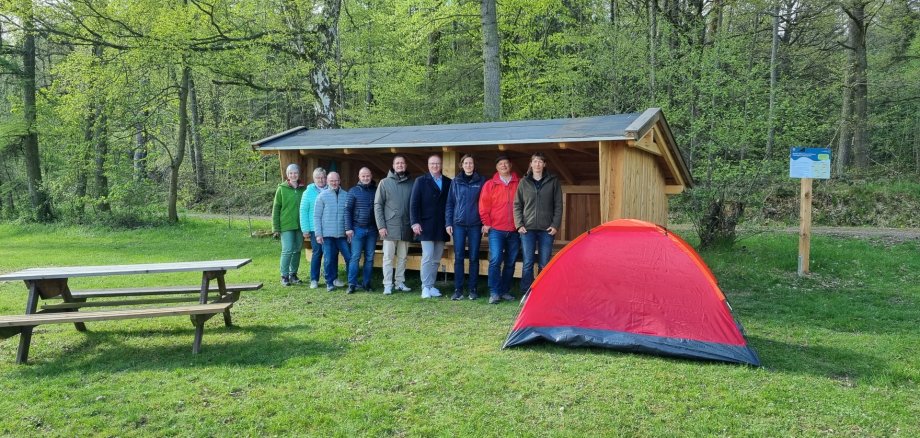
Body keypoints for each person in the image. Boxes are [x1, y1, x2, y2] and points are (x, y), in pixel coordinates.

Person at [514, 152, 563, 294]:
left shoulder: (553, 181)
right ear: (531, 164)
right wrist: (519, 224)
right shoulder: (523, 182)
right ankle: (526, 292)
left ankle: (543, 292)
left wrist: (555, 225)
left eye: (540, 162)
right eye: (535, 161)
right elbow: (517, 205)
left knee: (544, 263)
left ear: (544, 164)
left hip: (546, 229)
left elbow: (558, 205)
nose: (537, 164)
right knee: (528, 262)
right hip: (527, 229)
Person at [478, 155, 521, 304]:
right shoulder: (490, 184)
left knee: (510, 261)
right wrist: (487, 223)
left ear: (510, 165)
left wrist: (521, 224)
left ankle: (505, 291)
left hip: (515, 230)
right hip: (496, 229)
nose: (503, 166)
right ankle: (494, 292)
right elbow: (483, 206)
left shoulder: (519, 183)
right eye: (500, 164)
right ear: (496, 168)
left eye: (506, 163)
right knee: (495, 260)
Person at [410, 154, 452, 299]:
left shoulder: (448, 182)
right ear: (428, 165)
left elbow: (450, 204)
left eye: (437, 163)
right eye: (432, 163)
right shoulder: (420, 181)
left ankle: (431, 285)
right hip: (425, 225)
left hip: (441, 225)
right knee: (427, 257)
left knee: (436, 258)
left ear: (441, 165)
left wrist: (449, 222)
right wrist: (414, 222)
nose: (435, 166)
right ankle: (425, 287)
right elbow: (414, 203)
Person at [445, 154, 484, 300]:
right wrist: (448, 223)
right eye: (466, 163)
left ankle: (473, 290)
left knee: (474, 257)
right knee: (459, 257)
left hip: (475, 225)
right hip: (458, 224)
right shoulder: (455, 181)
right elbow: (450, 203)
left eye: (471, 163)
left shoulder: (481, 181)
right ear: (461, 165)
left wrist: (485, 222)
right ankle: (458, 290)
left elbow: (485, 203)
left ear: (474, 165)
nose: (468, 165)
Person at [374, 155, 414, 295]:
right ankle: (387, 284)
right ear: (393, 165)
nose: (400, 165)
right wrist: (381, 226)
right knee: (388, 257)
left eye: (402, 163)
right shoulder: (384, 183)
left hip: (406, 226)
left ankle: (399, 282)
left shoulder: (411, 183)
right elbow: (378, 205)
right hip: (389, 227)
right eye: (397, 163)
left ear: (406, 165)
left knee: (403, 257)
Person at [314, 172, 351, 292]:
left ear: (339, 181)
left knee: (349, 257)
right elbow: (316, 216)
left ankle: (352, 282)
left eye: (336, 180)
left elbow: (349, 214)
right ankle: (329, 282)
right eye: (331, 181)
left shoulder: (346, 195)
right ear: (328, 182)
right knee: (329, 259)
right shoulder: (322, 196)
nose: (334, 183)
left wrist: (349, 231)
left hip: (342, 235)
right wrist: (318, 234)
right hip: (327, 235)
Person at [272, 163, 307, 286]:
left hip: (300, 225)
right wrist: (275, 227)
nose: (293, 175)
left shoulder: (304, 189)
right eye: (291, 173)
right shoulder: (281, 189)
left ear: (299, 174)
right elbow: (276, 208)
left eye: (295, 173)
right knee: (287, 250)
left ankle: (293, 274)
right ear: (287, 175)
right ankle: (284, 276)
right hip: (286, 225)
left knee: (297, 250)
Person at [301, 167, 335, 289]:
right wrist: (305, 229)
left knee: (330, 254)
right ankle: (314, 279)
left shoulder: (332, 190)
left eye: (323, 177)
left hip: (329, 228)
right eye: (318, 178)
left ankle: (332, 278)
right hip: (314, 228)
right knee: (317, 253)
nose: (321, 180)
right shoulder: (308, 192)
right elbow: (303, 211)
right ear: (313, 178)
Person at [345, 167, 377, 293]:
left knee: (369, 258)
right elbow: (347, 210)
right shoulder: (353, 191)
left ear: (371, 176)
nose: (365, 178)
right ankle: (352, 284)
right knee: (355, 257)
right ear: (359, 177)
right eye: (363, 176)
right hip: (357, 229)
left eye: (367, 176)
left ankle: (366, 283)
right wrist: (348, 228)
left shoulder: (376, 190)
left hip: (372, 230)